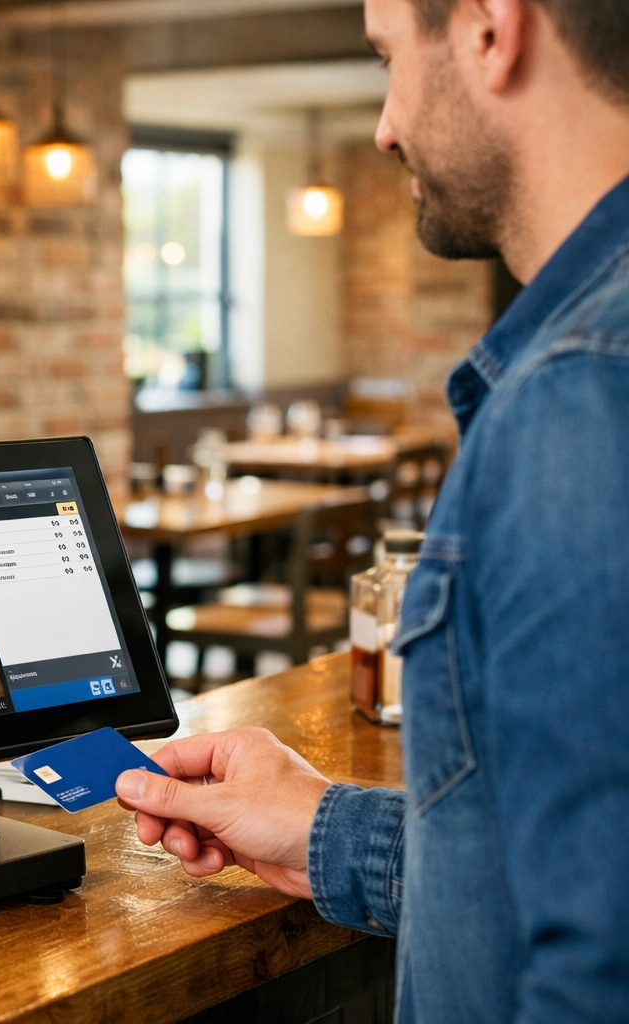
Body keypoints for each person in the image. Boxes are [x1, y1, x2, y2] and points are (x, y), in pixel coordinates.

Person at [115, 0, 629, 1018]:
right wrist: (320, 827)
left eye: (391, 58)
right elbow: (540, 875)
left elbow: (597, 965)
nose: (387, 124)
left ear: (490, 28)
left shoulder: (580, 398)